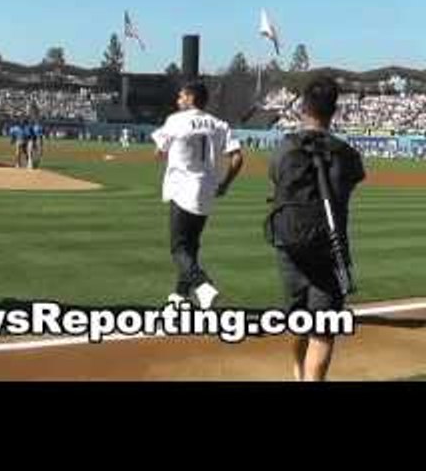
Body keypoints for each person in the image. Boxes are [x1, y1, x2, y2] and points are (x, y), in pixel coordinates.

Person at [264, 76, 365, 381]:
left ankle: (298, 372)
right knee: (322, 331)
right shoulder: (348, 155)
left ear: (304, 107)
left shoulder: (284, 148)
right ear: (334, 111)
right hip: (329, 248)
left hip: (289, 244)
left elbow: (275, 184)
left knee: (299, 320)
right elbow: (350, 184)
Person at [151, 81, 244, 309]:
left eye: (181, 97)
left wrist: (163, 152)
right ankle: (180, 296)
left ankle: (203, 285)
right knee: (191, 245)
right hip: (206, 191)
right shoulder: (218, 124)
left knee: (178, 248)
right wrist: (225, 184)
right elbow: (237, 157)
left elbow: (158, 153)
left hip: (182, 189)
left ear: (191, 98)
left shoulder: (175, 120)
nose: (178, 100)